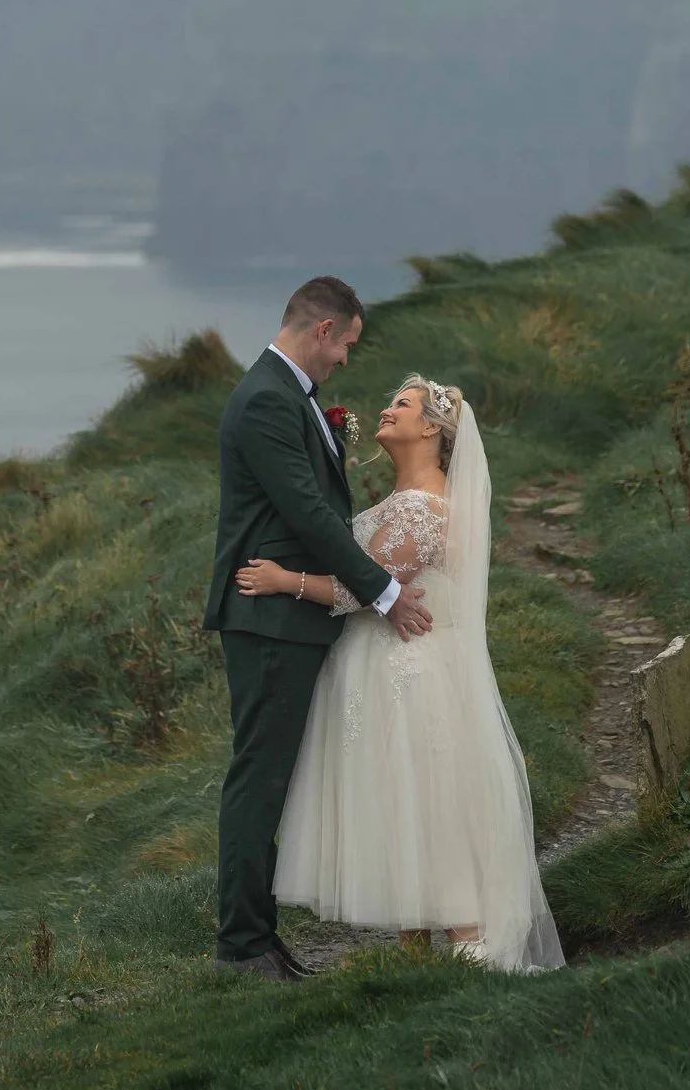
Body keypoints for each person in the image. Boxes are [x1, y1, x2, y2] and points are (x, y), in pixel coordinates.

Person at [236, 374, 565, 972]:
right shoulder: (397, 503)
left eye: (403, 405)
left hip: (410, 678)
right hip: (382, 672)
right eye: (389, 400)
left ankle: (471, 952)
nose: (386, 411)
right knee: (400, 804)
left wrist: (286, 581)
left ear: (432, 430)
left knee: (426, 801)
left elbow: (362, 588)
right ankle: (416, 962)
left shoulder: (426, 509)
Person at [202, 276, 432, 981]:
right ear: (323, 329)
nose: (345, 362)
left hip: (286, 619)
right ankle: (242, 946)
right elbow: (306, 512)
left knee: (268, 779)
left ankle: (260, 939)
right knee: (257, 781)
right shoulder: (269, 399)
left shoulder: (284, 395)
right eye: (347, 345)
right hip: (269, 621)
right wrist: (385, 592)